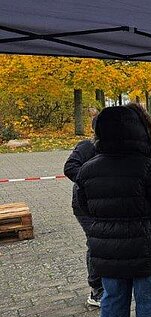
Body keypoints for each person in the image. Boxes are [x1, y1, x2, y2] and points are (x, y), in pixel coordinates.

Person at [76, 103, 151, 317]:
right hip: (147, 249)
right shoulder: (148, 167)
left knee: (112, 303)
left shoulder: (88, 169)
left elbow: (83, 206)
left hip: (108, 252)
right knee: (150, 302)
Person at [63, 110, 102, 307]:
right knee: (95, 242)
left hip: (104, 203)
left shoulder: (114, 146)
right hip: (84, 205)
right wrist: (92, 180)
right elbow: (70, 167)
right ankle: (96, 289)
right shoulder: (87, 146)